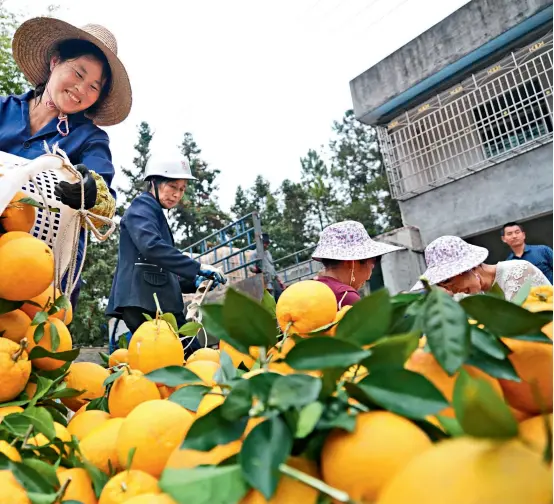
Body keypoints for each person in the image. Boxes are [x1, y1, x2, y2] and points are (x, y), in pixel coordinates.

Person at [0, 17, 133, 309]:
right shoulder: (4, 109)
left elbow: (104, 202)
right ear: (54, 62)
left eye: (94, 86)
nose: (81, 89)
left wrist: (91, 190)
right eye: (78, 73)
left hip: (42, 272)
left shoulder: (89, 138)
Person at [106, 157, 227, 355]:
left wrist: (193, 281)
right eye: (172, 186)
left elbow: (158, 267)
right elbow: (152, 247)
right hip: (145, 302)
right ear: (153, 182)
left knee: (175, 359)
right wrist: (197, 267)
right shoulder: (141, 208)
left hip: (153, 301)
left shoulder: (152, 212)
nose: (177, 194)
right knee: (191, 357)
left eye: (182, 189)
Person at [411, 235, 551, 301]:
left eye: (449, 282)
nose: (452, 290)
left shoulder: (518, 271)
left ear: (469, 268)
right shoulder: (467, 295)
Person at [311, 221, 404, 308]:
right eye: (372, 265)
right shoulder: (345, 296)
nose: (368, 277)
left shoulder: (311, 287)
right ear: (351, 263)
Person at [250, 233, 285, 301]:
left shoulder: (268, 252)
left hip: (274, 278)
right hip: (265, 280)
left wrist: (280, 281)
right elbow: (251, 267)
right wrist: (257, 270)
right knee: (271, 298)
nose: (267, 245)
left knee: (279, 296)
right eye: (265, 243)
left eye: (267, 243)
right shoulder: (254, 254)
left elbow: (272, 266)